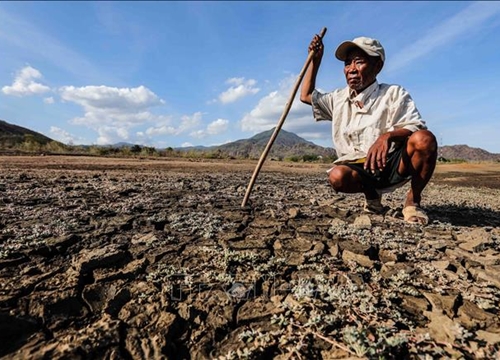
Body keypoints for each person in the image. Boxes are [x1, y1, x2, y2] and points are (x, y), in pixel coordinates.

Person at [300, 34, 437, 224]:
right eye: (347, 64)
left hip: (391, 163)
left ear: (377, 66)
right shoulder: (338, 98)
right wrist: (316, 60)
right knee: (337, 176)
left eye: (359, 62)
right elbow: (306, 95)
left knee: (424, 139)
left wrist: (387, 136)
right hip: (360, 169)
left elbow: (415, 126)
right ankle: (372, 198)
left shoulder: (393, 93)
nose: (352, 70)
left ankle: (413, 201)